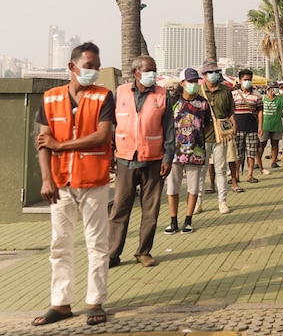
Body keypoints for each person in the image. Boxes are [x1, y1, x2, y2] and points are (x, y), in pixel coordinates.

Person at [32, 42, 115, 327]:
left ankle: (95, 301)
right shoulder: (50, 98)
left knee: (97, 243)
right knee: (60, 244)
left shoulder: (104, 97)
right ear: (72, 67)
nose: (93, 71)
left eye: (96, 67)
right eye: (88, 66)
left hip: (94, 181)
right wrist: (46, 179)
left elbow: (102, 136)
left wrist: (61, 145)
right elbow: (43, 142)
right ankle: (61, 302)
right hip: (61, 183)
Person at [109, 55, 175, 268]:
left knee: (151, 210)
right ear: (136, 72)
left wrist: (168, 156)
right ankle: (112, 253)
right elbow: (111, 124)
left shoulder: (163, 94)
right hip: (125, 158)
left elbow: (170, 129)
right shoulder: (120, 93)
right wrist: (110, 153)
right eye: (148, 71)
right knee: (120, 208)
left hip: (154, 159)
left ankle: (143, 251)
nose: (152, 74)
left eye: (154, 70)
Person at [165, 68, 209, 235]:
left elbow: (207, 125)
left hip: (196, 152)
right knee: (172, 188)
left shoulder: (203, 103)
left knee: (193, 187)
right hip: (175, 152)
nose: (193, 85)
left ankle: (188, 220)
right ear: (182, 83)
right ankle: (173, 221)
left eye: (195, 81)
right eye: (190, 81)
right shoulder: (172, 101)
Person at [199, 59, 236, 214]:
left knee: (221, 169)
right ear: (204, 74)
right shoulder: (199, 91)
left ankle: (222, 201)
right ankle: (197, 202)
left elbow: (230, 111)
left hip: (221, 135)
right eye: (210, 72)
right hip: (202, 136)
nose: (213, 75)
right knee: (201, 170)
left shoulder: (225, 90)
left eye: (215, 72)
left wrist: (233, 127)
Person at [233, 69, 264, 185]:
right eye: (245, 80)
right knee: (238, 154)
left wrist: (261, 126)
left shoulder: (257, 95)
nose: (247, 82)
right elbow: (231, 112)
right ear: (240, 80)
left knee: (251, 152)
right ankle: (235, 175)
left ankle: (250, 174)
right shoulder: (234, 95)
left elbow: (260, 111)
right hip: (238, 129)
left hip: (252, 128)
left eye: (249, 80)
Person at [261, 83, 283, 168]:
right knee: (262, 144)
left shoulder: (280, 98)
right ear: (268, 89)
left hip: (276, 125)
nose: (273, 90)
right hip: (265, 125)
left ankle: (274, 161)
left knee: (275, 144)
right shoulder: (263, 98)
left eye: (275, 88)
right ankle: (258, 162)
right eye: (272, 88)